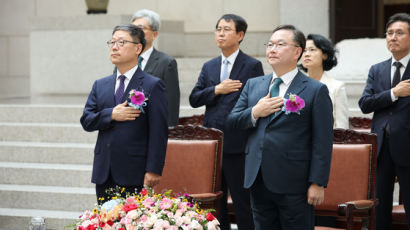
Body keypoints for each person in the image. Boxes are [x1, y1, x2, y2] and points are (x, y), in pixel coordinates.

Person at [227, 25, 334, 230]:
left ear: (297, 52)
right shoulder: (254, 85)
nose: (272, 49)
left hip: (295, 183)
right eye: (270, 44)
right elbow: (232, 122)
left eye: (280, 44)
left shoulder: (315, 90)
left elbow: (322, 141)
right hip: (257, 178)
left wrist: (317, 182)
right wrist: (255, 112)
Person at [189, 14, 264, 230]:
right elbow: (194, 98)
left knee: (242, 202)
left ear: (240, 35)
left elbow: (255, 104)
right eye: (218, 29)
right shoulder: (209, 66)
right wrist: (217, 90)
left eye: (226, 29)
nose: (220, 33)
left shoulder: (252, 65)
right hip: (211, 146)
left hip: (238, 145)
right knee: (214, 203)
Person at [80, 24, 168, 204]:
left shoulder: (152, 85)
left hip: (134, 171)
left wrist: (154, 169)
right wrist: (111, 114)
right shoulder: (100, 84)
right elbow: (87, 121)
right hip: (104, 170)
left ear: (138, 48)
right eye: (112, 42)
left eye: (121, 42)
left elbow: (159, 131)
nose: (114, 47)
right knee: (105, 220)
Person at [359, 12, 410, 230]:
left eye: (399, 33)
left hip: (408, 145)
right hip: (381, 147)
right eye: (389, 33)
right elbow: (365, 103)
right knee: (380, 208)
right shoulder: (377, 69)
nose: (393, 37)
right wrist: (394, 93)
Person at [131, 9, 180, 126]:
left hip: (152, 127)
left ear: (155, 34)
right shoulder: (124, 60)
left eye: (141, 28)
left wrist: (169, 132)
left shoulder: (166, 63)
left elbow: (171, 104)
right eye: (133, 29)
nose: (136, 32)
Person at [300, 34, 349, 129]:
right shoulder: (295, 85)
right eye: (304, 51)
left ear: (325, 55)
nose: (306, 54)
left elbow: (342, 128)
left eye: (312, 49)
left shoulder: (337, 87)